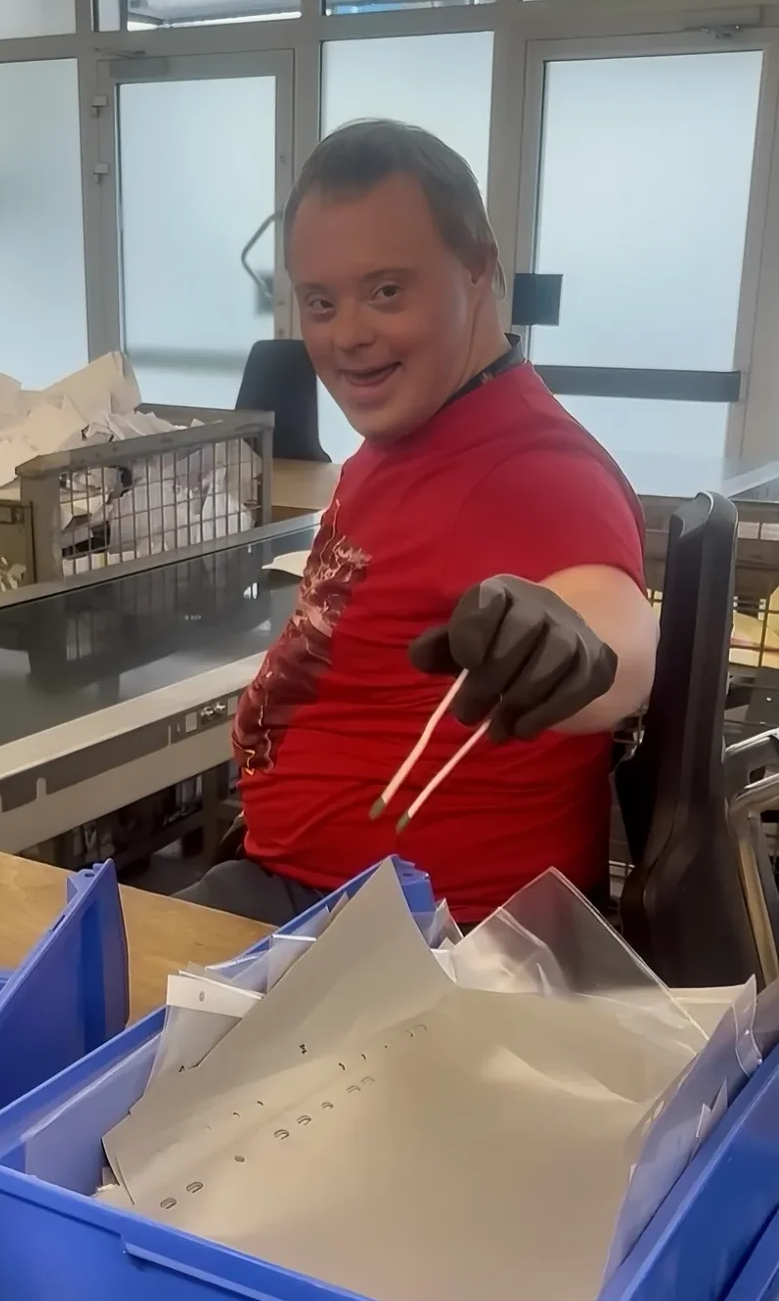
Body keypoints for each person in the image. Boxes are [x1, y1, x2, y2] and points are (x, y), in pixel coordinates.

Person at [184, 119, 656, 926]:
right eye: (320, 302)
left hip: (424, 937)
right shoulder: (405, 436)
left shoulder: (532, 466)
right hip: (307, 890)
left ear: (479, 269)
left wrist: (569, 644)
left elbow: (616, 633)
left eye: (387, 292)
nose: (348, 335)